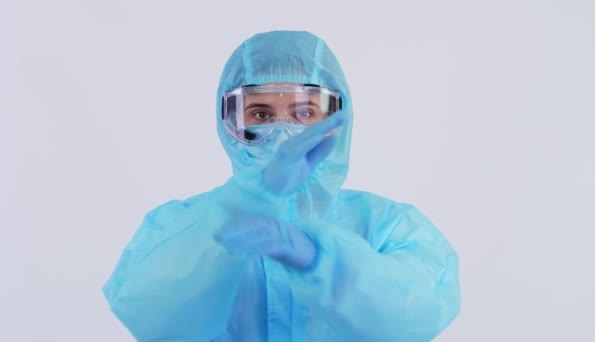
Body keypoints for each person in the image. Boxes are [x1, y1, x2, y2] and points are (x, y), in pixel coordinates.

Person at [103, 30, 460, 341]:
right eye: (261, 115)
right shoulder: (183, 226)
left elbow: (412, 321)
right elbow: (155, 318)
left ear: (338, 120)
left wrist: (321, 262)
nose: (282, 134)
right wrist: (248, 203)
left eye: (304, 114)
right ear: (228, 122)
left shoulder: (389, 227)